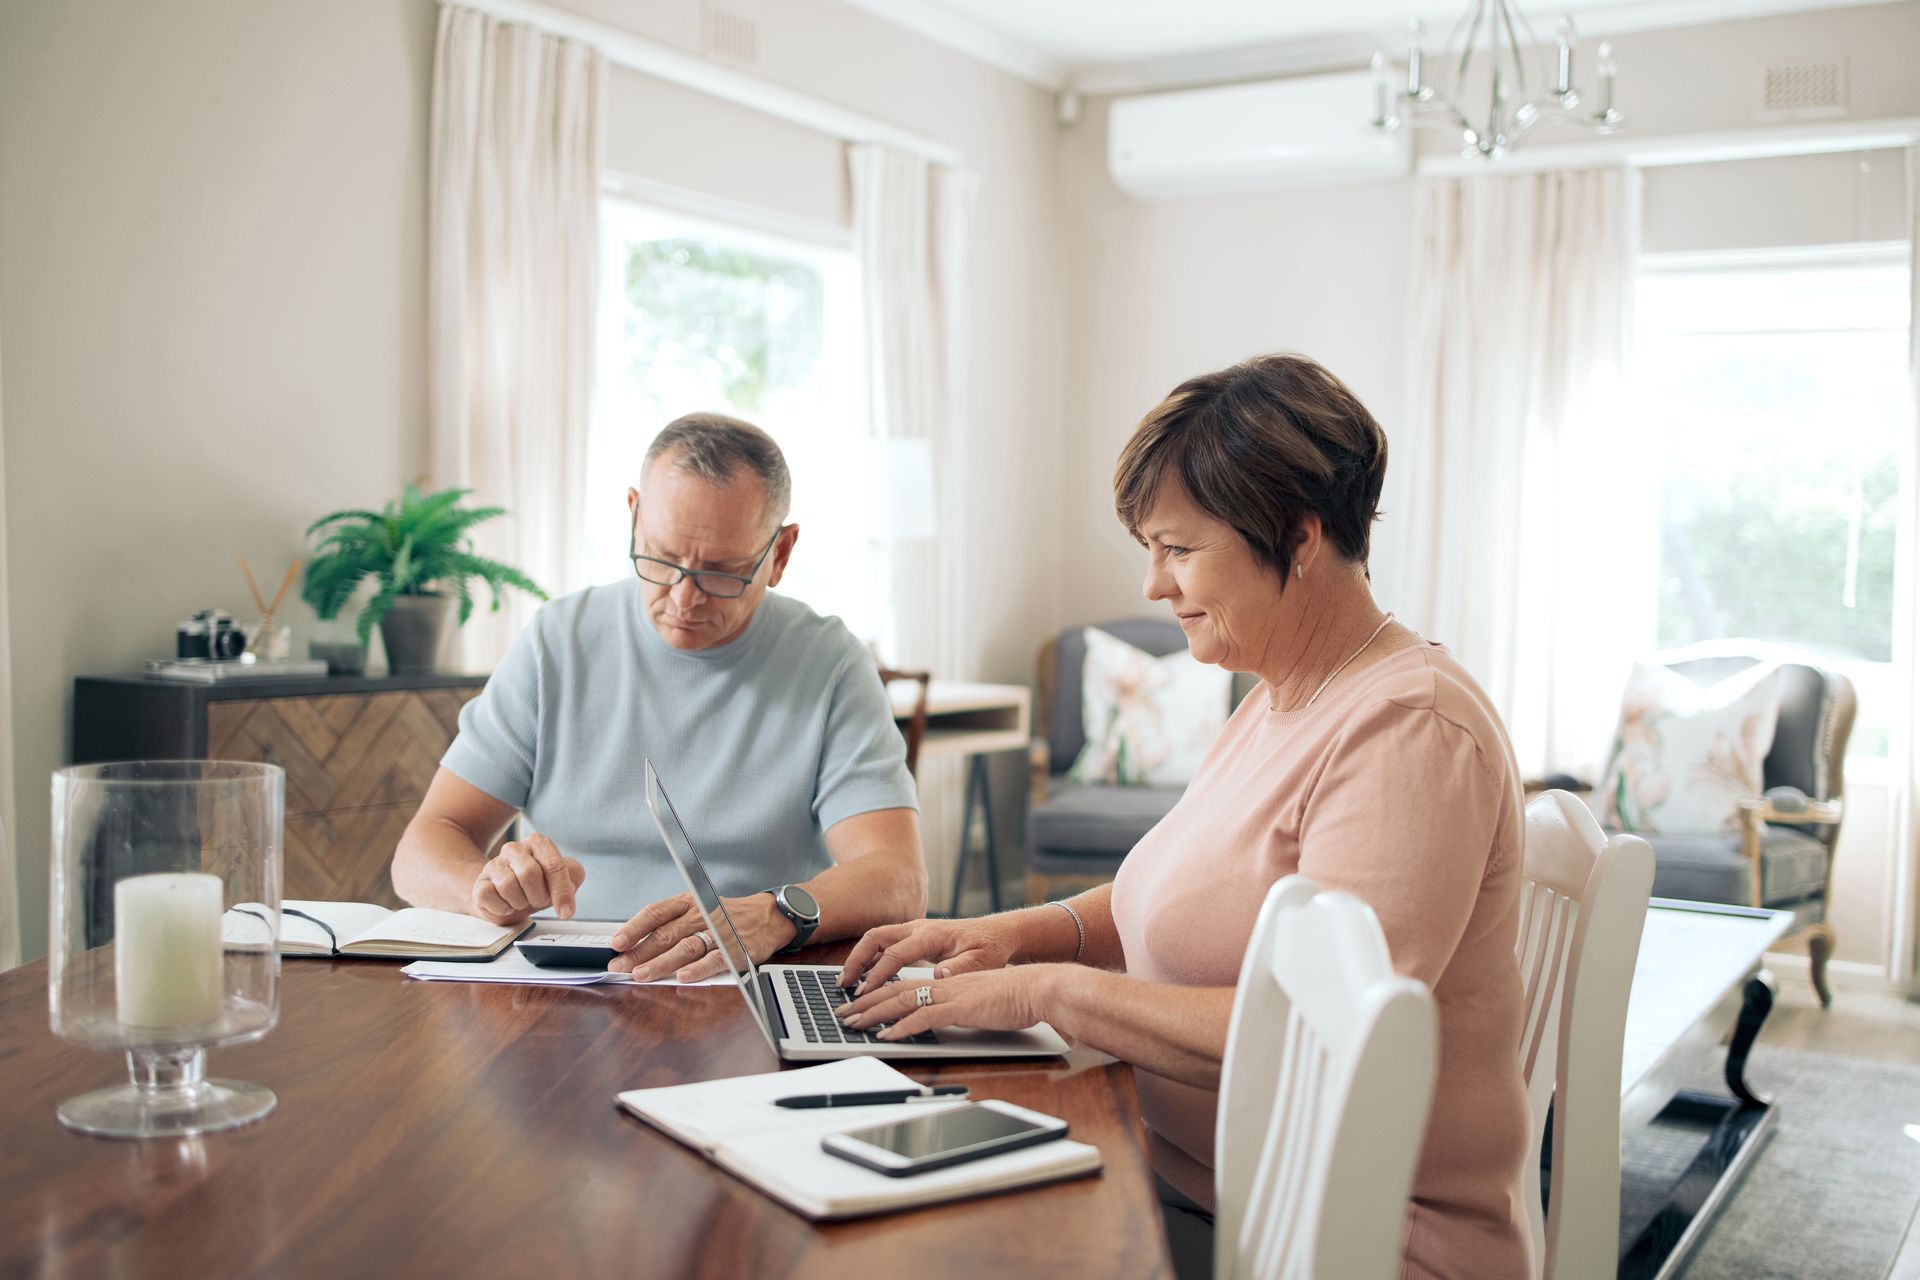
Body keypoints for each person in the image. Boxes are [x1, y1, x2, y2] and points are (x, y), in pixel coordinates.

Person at [836, 355, 1532, 1279]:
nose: (1153, 587)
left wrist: (1046, 991)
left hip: (1343, 1239)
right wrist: (1004, 936)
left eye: (1179, 548)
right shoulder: (1280, 693)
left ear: (1297, 536)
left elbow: (1326, 1043)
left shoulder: (1410, 728)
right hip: (1188, 1178)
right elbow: (1163, 899)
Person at [391, 413, 927, 981]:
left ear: (781, 555)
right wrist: (482, 889)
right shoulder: (558, 642)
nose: (684, 597)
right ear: (632, 515)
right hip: (565, 984)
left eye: (723, 572)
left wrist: (776, 913)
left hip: (744, 978)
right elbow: (424, 846)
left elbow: (897, 877)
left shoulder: (831, 662)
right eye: (660, 558)